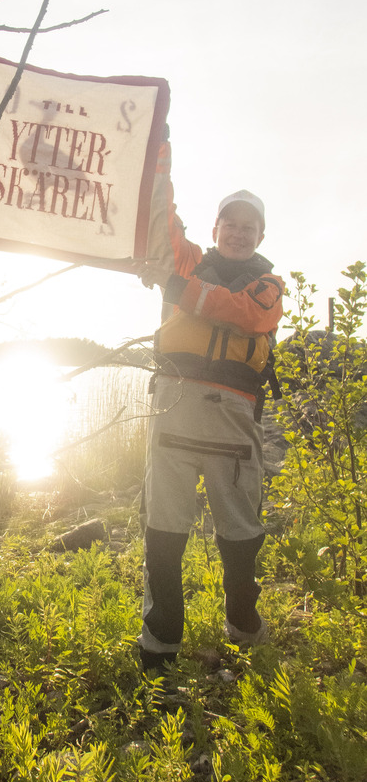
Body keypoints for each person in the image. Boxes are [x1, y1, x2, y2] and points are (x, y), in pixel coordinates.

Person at [132, 135, 284, 672]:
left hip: (233, 422)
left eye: (250, 227)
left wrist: (176, 286)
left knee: (241, 535)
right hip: (175, 410)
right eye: (230, 224)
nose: (239, 233)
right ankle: (160, 644)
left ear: (260, 236)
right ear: (215, 229)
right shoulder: (187, 259)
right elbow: (159, 216)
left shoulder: (269, 286)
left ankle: (243, 623)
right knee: (165, 530)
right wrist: (157, 144)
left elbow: (241, 314)